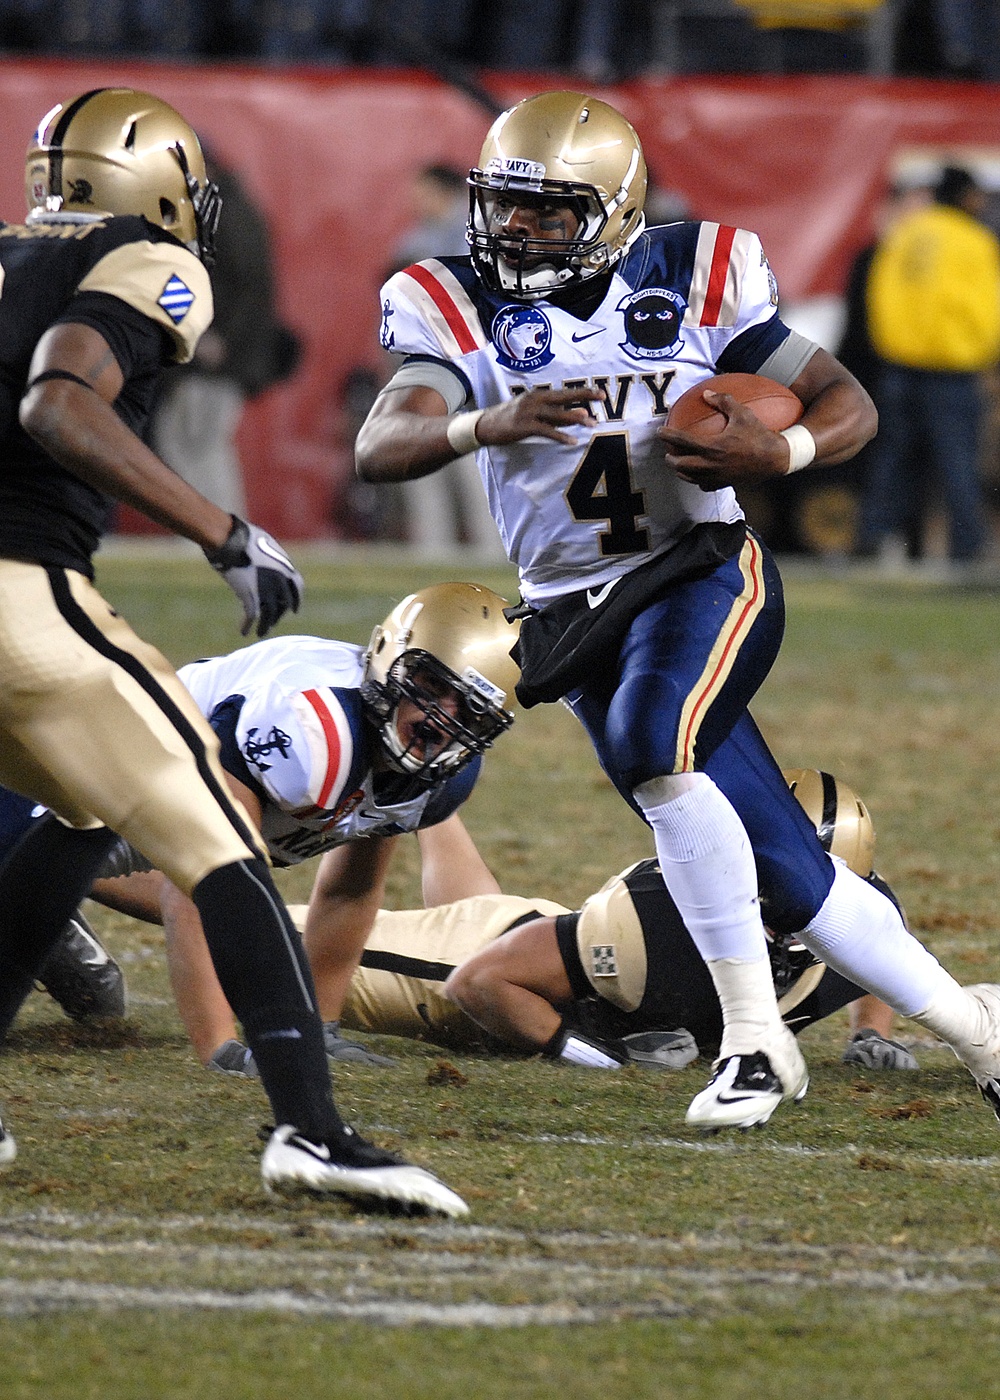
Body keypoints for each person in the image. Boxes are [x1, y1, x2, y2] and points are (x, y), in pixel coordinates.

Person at [354, 89, 1000, 1133]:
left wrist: (777, 451)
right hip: (573, 611)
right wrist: (487, 420)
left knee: (655, 743)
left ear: (611, 212)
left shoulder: (693, 275)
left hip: (700, 567)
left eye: (547, 211)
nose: (514, 230)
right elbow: (381, 444)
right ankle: (980, 1033)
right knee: (789, 871)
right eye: (504, 206)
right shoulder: (450, 298)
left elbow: (846, 402)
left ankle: (753, 1040)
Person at [0, 86, 466, 1216]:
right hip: (22, 596)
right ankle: (311, 1127)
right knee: (217, 836)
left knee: (79, 815)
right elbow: (59, 402)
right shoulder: (145, 257)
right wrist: (224, 528)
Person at [111, 583, 518, 1074]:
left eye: (469, 707)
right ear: (391, 658)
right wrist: (222, 1049)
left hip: (150, 824)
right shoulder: (311, 727)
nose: (439, 718)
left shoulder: (439, 780)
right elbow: (200, 878)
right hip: (100, 777)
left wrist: (318, 1028)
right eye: (431, 686)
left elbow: (351, 889)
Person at [858, 165, 1000, 568]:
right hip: (952, 371)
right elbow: (987, 308)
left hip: (900, 366)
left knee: (893, 459)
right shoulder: (974, 240)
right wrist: (985, 355)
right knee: (958, 462)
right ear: (964, 196)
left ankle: (872, 540)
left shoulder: (905, 232)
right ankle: (966, 549)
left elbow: (880, 296)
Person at [150, 152, 300, 517]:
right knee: (186, 441)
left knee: (200, 443)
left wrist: (218, 336)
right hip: (210, 351)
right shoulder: (220, 210)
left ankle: (221, 531)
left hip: (217, 355)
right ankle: (215, 531)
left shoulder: (226, 212)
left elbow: (248, 287)